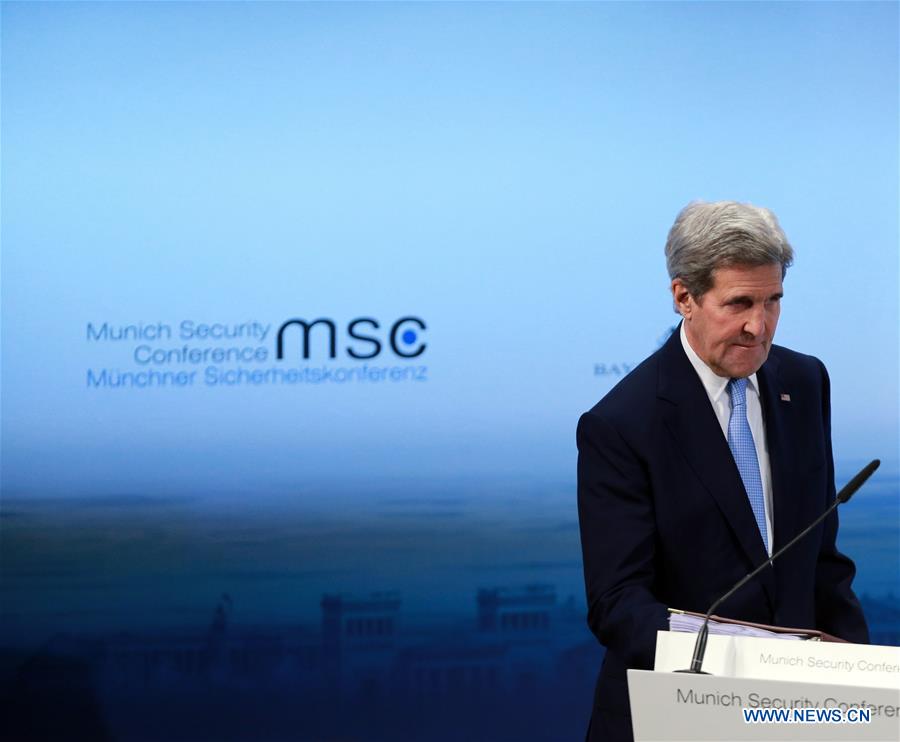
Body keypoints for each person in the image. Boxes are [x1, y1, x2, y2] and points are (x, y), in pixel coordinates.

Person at [576, 201, 868, 742]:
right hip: (677, 716)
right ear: (683, 297)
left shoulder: (804, 382)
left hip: (797, 718)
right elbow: (619, 605)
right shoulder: (622, 424)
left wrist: (861, 689)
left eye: (773, 301)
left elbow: (821, 562)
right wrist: (745, 665)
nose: (759, 326)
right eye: (739, 303)